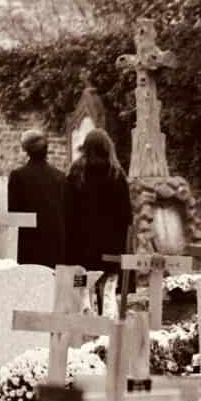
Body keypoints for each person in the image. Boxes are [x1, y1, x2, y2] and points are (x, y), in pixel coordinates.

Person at [66, 128, 133, 313]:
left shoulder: (75, 174)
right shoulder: (116, 175)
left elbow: (66, 211)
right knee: (109, 292)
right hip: (110, 249)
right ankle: (107, 332)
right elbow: (126, 214)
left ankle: (84, 329)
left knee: (81, 289)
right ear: (107, 147)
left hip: (80, 249)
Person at [8, 129, 68, 268]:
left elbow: (12, 211)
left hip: (29, 241)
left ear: (26, 150)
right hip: (54, 241)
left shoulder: (18, 176)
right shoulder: (59, 176)